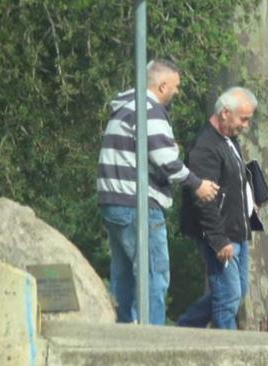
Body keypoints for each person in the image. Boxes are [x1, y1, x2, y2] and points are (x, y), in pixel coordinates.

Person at [97, 59, 219, 325]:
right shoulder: (149, 110)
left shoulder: (126, 107)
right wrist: (198, 184)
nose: (177, 92)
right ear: (162, 85)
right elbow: (165, 159)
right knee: (154, 275)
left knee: (125, 277)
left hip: (114, 202)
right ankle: (152, 339)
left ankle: (123, 334)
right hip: (138, 205)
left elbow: (148, 149)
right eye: (175, 87)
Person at [178, 87, 258, 329]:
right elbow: (203, 199)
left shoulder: (229, 140)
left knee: (237, 290)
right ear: (225, 113)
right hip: (221, 234)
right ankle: (232, 353)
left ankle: (186, 327)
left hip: (238, 231)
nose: (245, 125)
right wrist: (218, 239)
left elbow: (235, 178)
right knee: (228, 298)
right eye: (243, 119)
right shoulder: (205, 146)